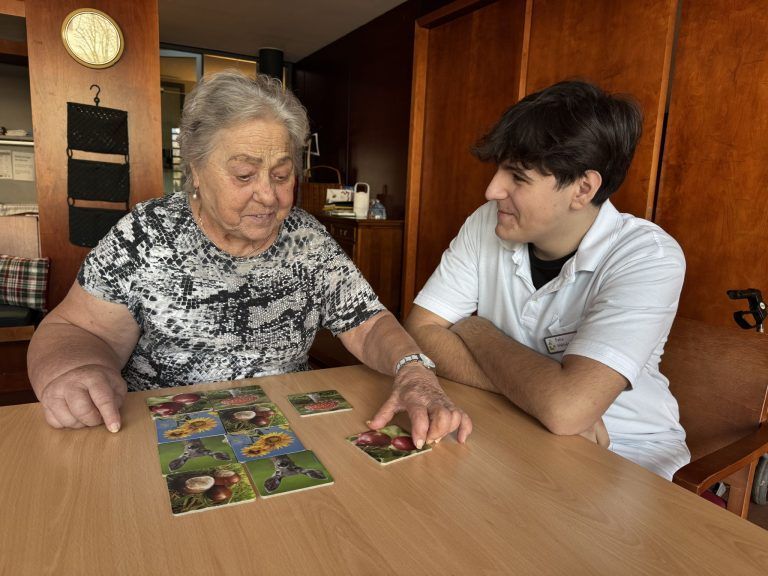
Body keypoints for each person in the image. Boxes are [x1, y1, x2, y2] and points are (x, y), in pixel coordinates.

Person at [28, 71, 472, 448]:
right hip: (160, 435)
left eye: (281, 174)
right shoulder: (146, 234)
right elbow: (75, 328)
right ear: (196, 171)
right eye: (244, 174)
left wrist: (414, 370)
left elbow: (369, 323)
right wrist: (77, 370)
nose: (269, 194)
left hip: (281, 432)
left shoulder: (306, 239)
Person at [405, 80, 689, 479]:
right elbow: (421, 329)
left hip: (625, 453)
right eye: (499, 169)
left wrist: (474, 329)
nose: (492, 190)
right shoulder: (487, 222)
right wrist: (541, 398)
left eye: (518, 177)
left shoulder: (646, 256)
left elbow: (568, 410)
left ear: (582, 189)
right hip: (517, 425)